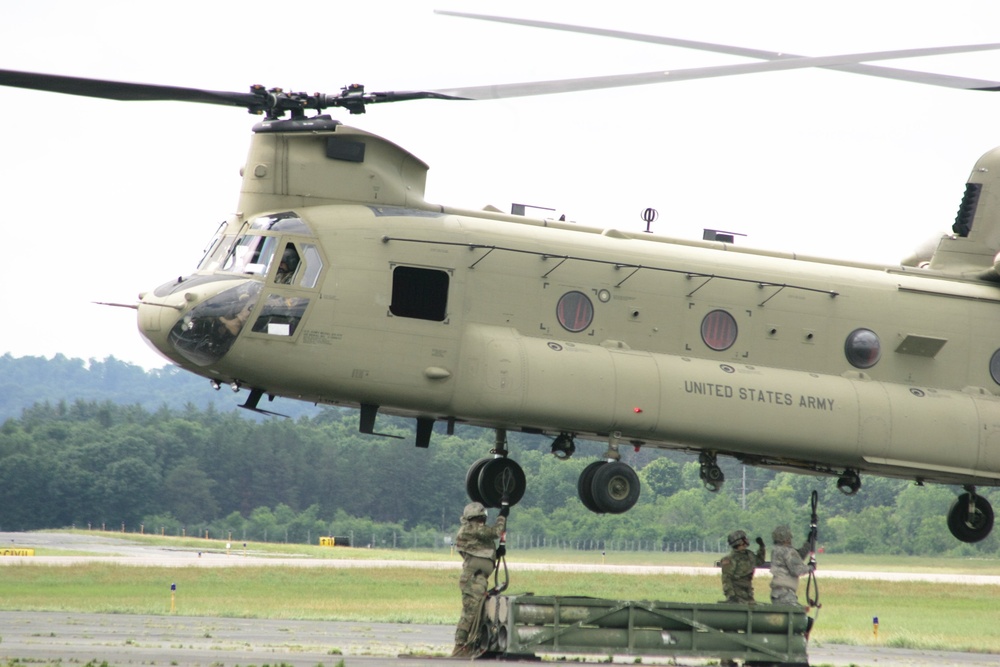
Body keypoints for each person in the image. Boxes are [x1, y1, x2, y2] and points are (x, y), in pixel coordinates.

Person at [452, 500, 508, 657]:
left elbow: (482, 550)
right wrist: (502, 516)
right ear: (473, 518)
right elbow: (496, 532)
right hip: (473, 578)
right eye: (480, 519)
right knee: (470, 613)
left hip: (479, 578)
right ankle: (460, 648)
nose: (483, 522)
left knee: (477, 614)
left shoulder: (477, 532)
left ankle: (470, 646)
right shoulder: (469, 529)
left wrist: (498, 552)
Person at [769, 524, 812, 606]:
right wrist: (810, 568)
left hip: (777, 593)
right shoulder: (788, 551)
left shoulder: (776, 550)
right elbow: (797, 570)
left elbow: (796, 558)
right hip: (785, 594)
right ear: (786, 538)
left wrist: (808, 543)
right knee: (796, 616)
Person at [719, 529, 766, 603]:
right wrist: (731, 596)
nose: (747, 540)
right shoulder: (729, 559)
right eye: (745, 538)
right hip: (737, 594)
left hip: (748, 593)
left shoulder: (749, 554)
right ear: (740, 542)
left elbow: (759, 561)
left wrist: (762, 548)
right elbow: (726, 579)